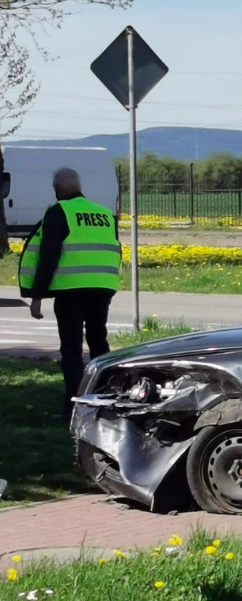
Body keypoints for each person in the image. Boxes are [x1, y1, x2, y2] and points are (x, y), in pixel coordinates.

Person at [17, 168, 121, 419]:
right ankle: (105, 400)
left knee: (72, 350)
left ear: (58, 189)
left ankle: (75, 408)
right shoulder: (105, 213)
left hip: (71, 289)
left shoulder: (58, 211)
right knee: (99, 343)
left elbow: (48, 255)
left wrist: (37, 296)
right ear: (80, 186)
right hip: (102, 287)